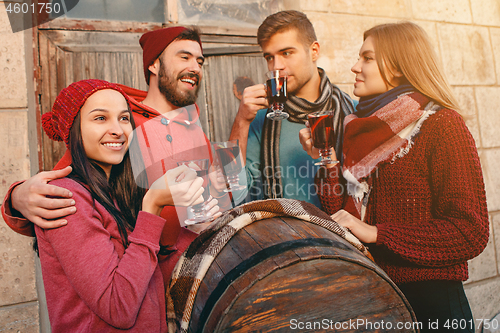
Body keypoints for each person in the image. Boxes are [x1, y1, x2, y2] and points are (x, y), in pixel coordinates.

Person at [299, 22, 489, 332]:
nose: (355, 66)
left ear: (399, 67)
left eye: (367, 58)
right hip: (372, 296)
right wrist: (327, 161)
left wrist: (377, 233)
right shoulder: (359, 128)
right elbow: (343, 214)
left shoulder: (442, 125)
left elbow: (470, 231)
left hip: (431, 305)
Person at [1, 26, 227, 283]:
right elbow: (68, 185)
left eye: (199, 61)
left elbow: (218, 197)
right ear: (154, 65)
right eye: (184, 57)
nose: (196, 67)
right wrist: (17, 197)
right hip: (140, 282)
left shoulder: (194, 128)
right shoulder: (120, 126)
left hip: (196, 275)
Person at [33, 79, 206, 331]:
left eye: (124, 118)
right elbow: (118, 307)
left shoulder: (116, 192)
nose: (118, 130)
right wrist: (153, 206)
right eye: (100, 118)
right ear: (74, 129)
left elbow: (148, 273)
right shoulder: (67, 199)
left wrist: (204, 231)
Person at [229, 10, 356, 207]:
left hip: (338, 235)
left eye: (286, 53)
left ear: (314, 51)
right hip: (280, 233)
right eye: (269, 57)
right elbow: (232, 191)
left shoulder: (353, 112)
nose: (276, 66)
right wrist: (241, 121)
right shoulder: (261, 116)